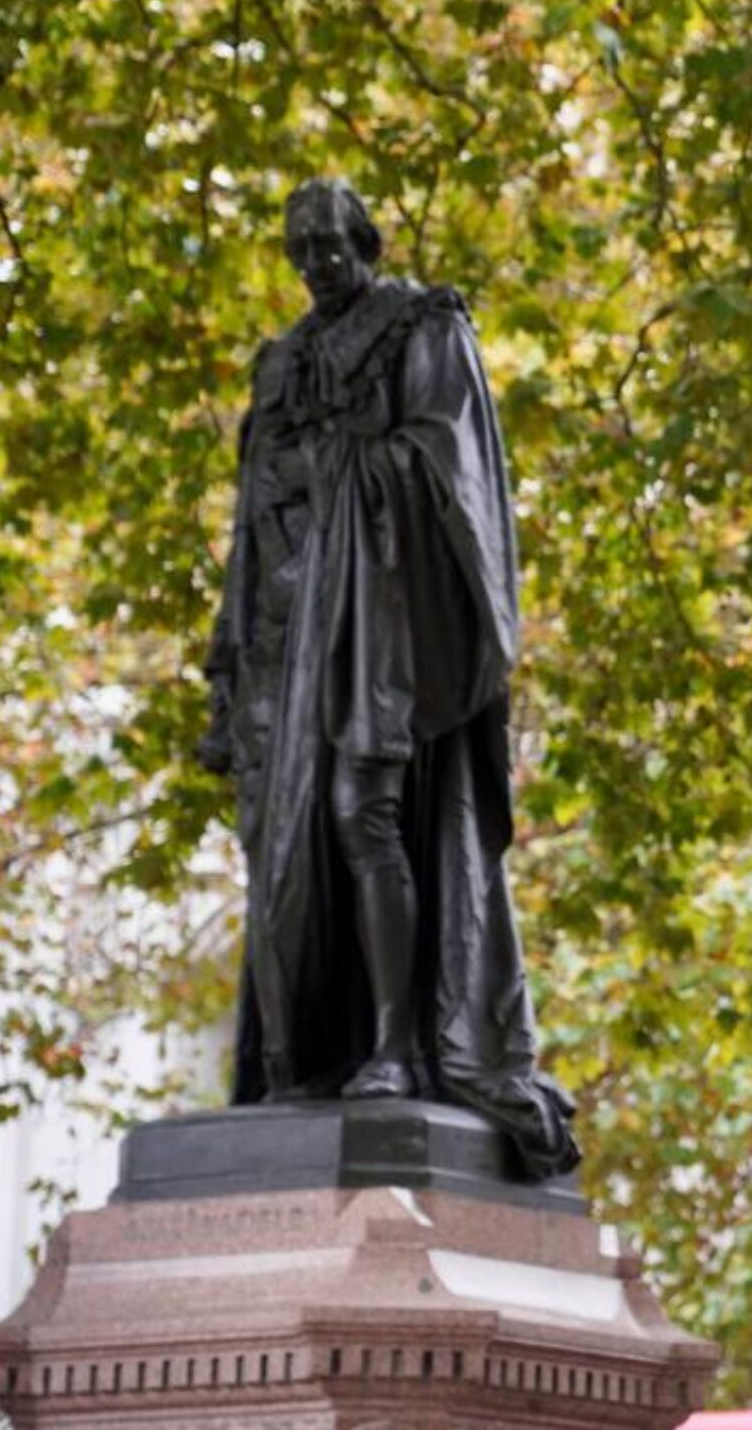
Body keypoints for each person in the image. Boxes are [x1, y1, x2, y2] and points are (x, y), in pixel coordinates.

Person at [199, 175, 578, 1179]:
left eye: (331, 246)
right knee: (281, 850)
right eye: (301, 252)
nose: (317, 265)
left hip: (380, 636)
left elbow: (442, 466)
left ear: (364, 239)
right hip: (284, 640)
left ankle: (399, 1044)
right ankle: (297, 1059)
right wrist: (227, 670)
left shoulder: (420, 326)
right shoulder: (280, 363)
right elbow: (248, 526)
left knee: (362, 812)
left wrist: (339, 469)